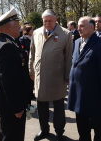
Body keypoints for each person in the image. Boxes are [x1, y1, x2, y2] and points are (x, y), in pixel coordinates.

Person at [29, 9, 73, 141]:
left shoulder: (66, 34)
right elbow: (32, 53)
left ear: (56, 19)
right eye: (45, 20)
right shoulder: (36, 32)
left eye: (50, 20)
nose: (47, 23)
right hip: (40, 77)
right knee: (41, 106)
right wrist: (31, 71)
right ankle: (44, 130)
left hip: (57, 77)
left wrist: (67, 76)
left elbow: (69, 57)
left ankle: (59, 131)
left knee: (59, 107)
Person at [68, 16, 101, 141]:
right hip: (77, 91)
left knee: (97, 125)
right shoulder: (76, 42)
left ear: (92, 28)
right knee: (81, 124)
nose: (79, 28)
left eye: (82, 26)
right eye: (78, 26)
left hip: (93, 93)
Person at [0, 8, 30, 141]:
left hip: (6, 102)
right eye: (18, 25)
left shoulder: (3, 42)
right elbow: (9, 81)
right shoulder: (7, 46)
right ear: (8, 27)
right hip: (11, 103)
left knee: (5, 134)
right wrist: (17, 107)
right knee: (14, 136)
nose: (20, 28)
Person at [19, 24, 35, 100]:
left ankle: (31, 93)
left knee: (32, 78)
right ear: (28, 31)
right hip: (27, 61)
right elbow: (22, 49)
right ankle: (28, 94)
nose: (33, 31)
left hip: (33, 60)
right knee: (28, 78)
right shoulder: (23, 39)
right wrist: (27, 52)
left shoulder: (34, 38)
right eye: (31, 30)